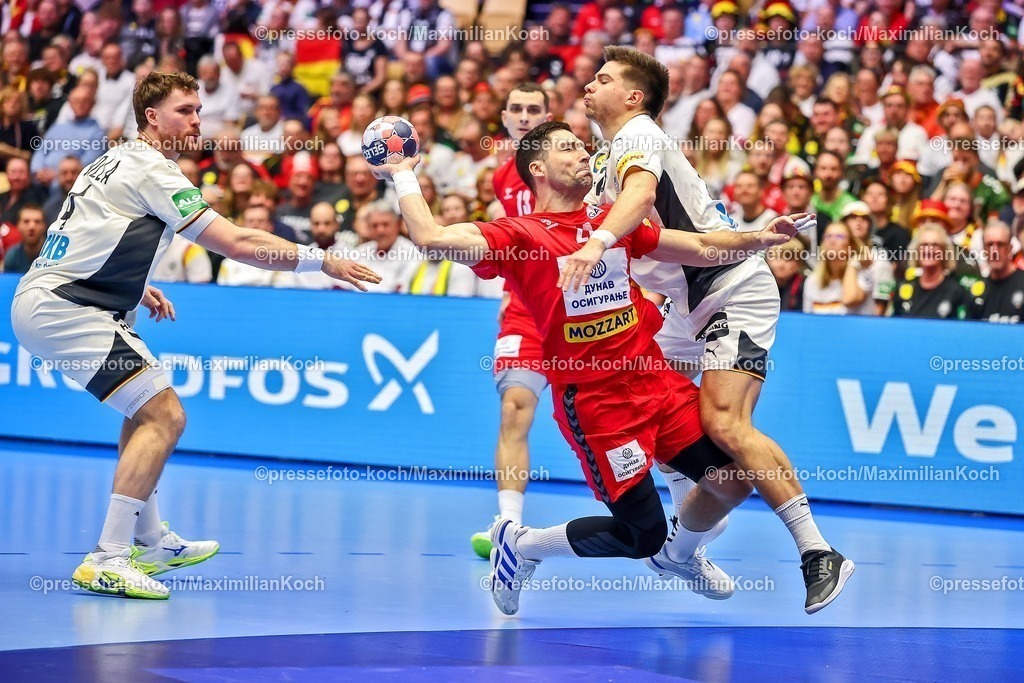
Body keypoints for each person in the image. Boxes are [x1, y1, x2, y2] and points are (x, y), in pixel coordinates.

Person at [372, 121, 807, 616]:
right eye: (566, 148)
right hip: (600, 406)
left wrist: (760, 237)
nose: (582, 153)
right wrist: (404, 174)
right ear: (537, 169)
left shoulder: (609, 223)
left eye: (582, 145)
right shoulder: (517, 236)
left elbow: (704, 248)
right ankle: (526, 544)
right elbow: (431, 239)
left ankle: (682, 555)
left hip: (655, 382)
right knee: (640, 534)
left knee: (731, 478)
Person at [9, 72, 381, 600]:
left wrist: (134, 288)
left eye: (198, 109)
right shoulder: (151, 168)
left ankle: (149, 541)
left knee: (143, 413)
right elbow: (235, 242)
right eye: (184, 110)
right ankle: (107, 558)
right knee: (167, 415)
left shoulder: (111, 159)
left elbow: (81, 235)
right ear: (152, 117)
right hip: (68, 310)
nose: (196, 119)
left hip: (64, 299)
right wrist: (320, 260)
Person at [560, 46, 853, 613]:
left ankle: (818, 552)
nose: (589, 85)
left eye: (603, 79)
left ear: (633, 96)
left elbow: (641, 198)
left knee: (723, 422)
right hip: (683, 304)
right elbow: (657, 237)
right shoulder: (606, 157)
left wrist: (596, 241)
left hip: (730, 290)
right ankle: (680, 546)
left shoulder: (639, 135)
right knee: (647, 389)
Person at [468, 82, 552, 559]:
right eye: (516, 108)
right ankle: (508, 527)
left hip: (582, 309)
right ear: (504, 117)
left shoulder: (576, 167)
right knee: (514, 408)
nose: (523, 115)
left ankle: (685, 511)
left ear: (548, 116)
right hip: (524, 310)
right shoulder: (502, 178)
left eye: (533, 109)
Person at [968, 222, 1024, 324]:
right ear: (984, 250)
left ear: (1010, 248)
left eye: (1000, 244)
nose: (994, 251)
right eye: (989, 245)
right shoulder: (977, 290)